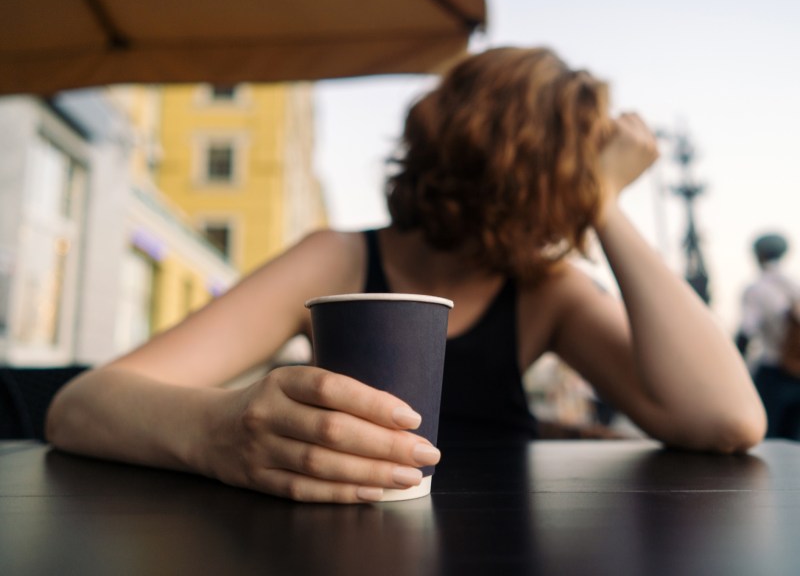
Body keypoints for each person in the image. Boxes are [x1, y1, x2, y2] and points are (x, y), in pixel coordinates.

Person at [46, 47, 766, 503]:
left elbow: (729, 420)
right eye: (572, 177)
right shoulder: (340, 258)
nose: (568, 207)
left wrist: (606, 208)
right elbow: (82, 406)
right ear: (503, 158)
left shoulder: (549, 293)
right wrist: (220, 430)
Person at [737, 233, 800, 438]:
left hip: (773, 373)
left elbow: (746, 332)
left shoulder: (757, 289)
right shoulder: (794, 286)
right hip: (797, 372)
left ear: (759, 255)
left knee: (769, 438)